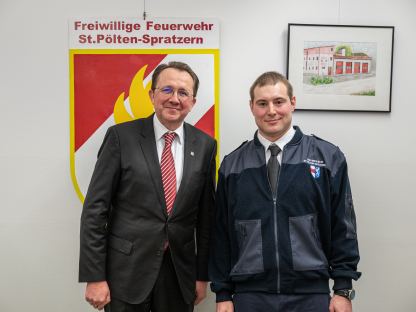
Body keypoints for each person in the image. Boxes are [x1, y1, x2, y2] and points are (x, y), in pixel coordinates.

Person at [209, 71, 360, 312]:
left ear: (292, 103)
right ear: (252, 107)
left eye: (278, 101)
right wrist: (223, 293)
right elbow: (221, 233)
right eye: (262, 103)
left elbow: (343, 226)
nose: (271, 111)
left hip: (311, 296)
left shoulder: (327, 157)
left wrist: (342, 289)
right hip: (250, 297)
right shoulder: (232, 165)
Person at [79, 61, 217, 312]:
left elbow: (206, 219)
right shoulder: (121, 137)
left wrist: (202, 275)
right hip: (125, 273)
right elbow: (95, 211)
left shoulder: (206, 145)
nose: (175, 99)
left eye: (183, 93)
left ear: (193, 102)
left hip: (179, 275)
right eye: (167, 90)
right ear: (152, 95)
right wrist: (95, 276)